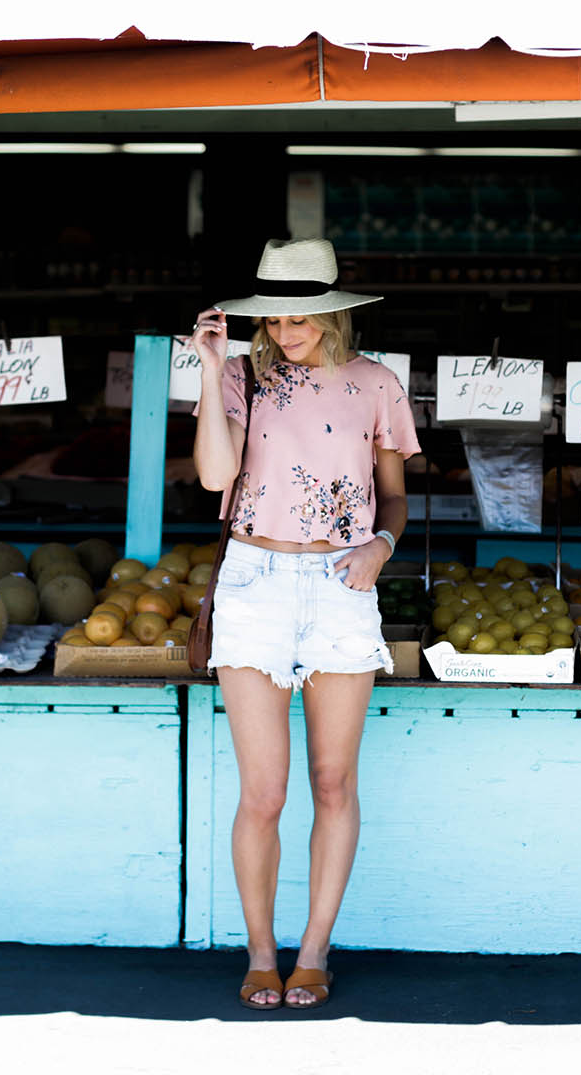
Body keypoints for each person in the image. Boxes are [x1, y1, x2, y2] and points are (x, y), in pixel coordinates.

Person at [189, 237, 419, 1010]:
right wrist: (207, 363)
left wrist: (380, 552)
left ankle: (314, 949)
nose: (288, 332)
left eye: (303, 318)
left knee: (332, 782)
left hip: (340, 582)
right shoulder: (240, 379)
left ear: (335, 314)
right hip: (254, 580)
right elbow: (216, 477)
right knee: (263, 793)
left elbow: (393, 498)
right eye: (276, 319)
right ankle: (261, 951)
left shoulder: (377, 384)